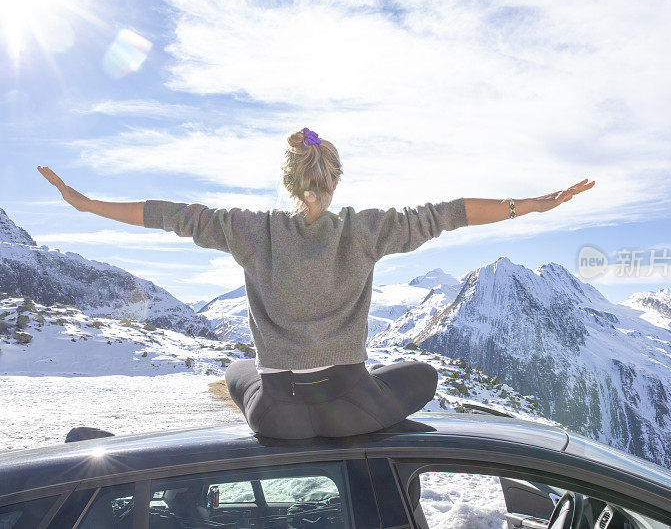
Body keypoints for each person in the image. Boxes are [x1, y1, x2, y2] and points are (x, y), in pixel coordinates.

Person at [37, 127, 595, 439]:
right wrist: (530, 206)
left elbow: (170, 213)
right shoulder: (368, 229)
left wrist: (88, 205)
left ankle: (287, 401)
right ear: (334, 181)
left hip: (278, 414)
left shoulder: (249, 230)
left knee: (238, 371)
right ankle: (341, 416)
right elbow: (448, 213)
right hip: (353, 401)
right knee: (420, 374)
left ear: (288, 180)